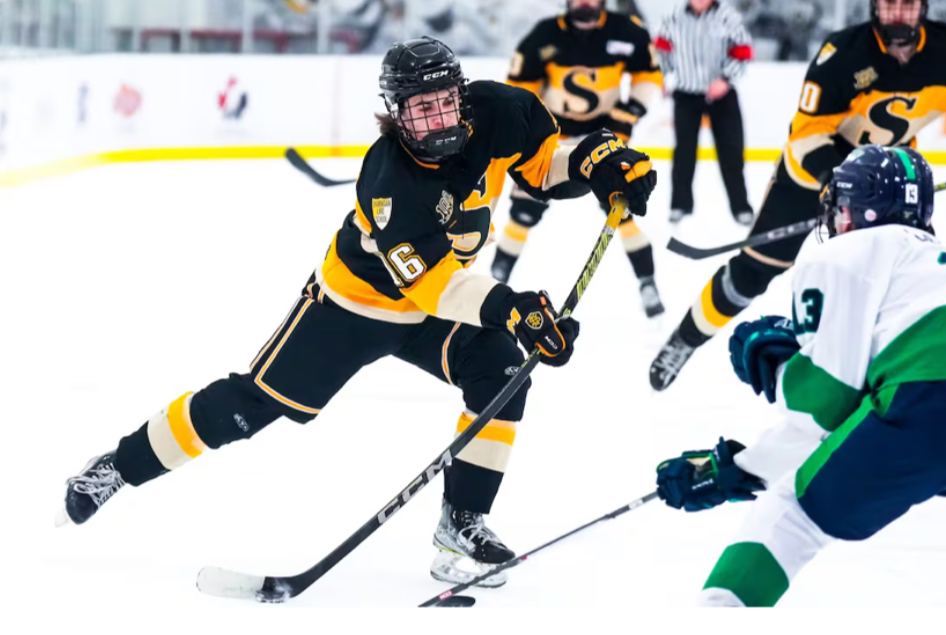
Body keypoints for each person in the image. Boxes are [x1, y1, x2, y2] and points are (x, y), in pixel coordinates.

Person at [57, 36, 657, 588]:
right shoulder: (390, 181)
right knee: (248, 409)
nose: (436, 119)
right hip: (355, 306)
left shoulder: (500, 111)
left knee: (500, 373)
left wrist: (592, 165)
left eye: (444, 103)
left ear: (460, 95)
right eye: (419, 110)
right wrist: (512, 309)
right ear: (397, 114)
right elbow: (434, 290)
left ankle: (462, 524)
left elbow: (542, 166)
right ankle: (118, 464)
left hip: (440, 298)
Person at [654, 146, 946, 606]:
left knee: (792, 514)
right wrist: (737, 469)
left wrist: (783, 373)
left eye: (841, 206)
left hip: (937, 406)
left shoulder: (845, 251)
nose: (837, 218)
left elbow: (825, 406)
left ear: (859, 208)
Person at [648, 0, 946, 392]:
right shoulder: (841, 56)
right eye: (889, 5)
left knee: (903, 275)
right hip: (813, 177)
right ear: (874, 7)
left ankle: (896, 372)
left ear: (923, 7)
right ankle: (685, 339)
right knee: (750, 275)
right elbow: (805, 140)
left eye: (907, 5)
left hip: (888, 181)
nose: (898, 14)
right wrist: (837, 185)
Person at [493, 0, 667, 318]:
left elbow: (649, 75)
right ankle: (496, 279)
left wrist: (632, 110)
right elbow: (517, 91)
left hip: (603, 139)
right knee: (523, 213)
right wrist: (528, 133)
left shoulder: (627, 31)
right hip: (552, 142)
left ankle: (647, 282)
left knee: (623, 211)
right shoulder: (544, 35)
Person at [655, 0, 755, 226]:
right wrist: (660, 75)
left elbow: (744, 50)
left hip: (722, 94)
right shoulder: (673, 17)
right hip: (686, 93)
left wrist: (726, 78)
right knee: (684, 152)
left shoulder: (728, 16)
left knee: (731, 151)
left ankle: (741, 207)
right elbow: (660, 50)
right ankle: (680, 204)